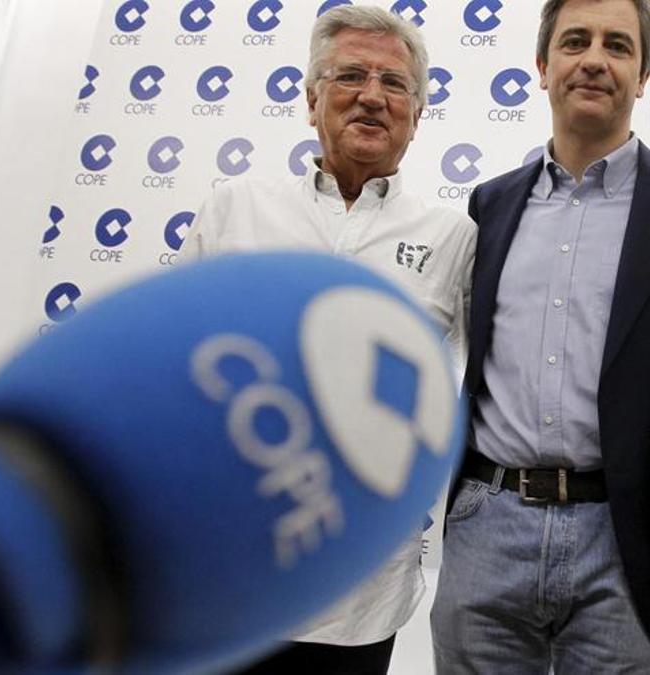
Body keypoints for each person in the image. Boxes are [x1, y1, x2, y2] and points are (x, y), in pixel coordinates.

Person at [428, 0, 650, 672]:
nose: (594, 58)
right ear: (543, 67)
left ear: (643, 73)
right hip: (490, 520)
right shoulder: (492, 202)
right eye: (575, 41)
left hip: (629, 537)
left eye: (617, 46)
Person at [179, 6, 475, 673]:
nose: (373, 96)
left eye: (395, 84)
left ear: (419, 112)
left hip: (359, 599)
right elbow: (167, 376)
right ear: (311, 100)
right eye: (351, 75)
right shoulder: (234, 209)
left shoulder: (455, 238)